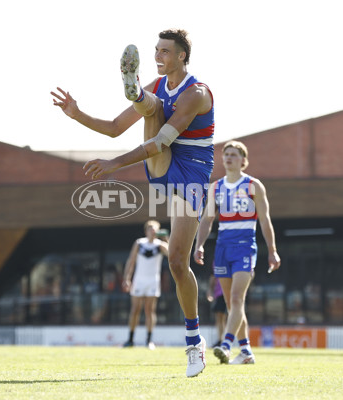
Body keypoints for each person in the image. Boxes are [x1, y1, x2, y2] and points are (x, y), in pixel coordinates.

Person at [51, 29, 214, 377]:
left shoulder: (196, 94)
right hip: (163, 160)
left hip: (192, 174)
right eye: (156, 50)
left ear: (182, 56)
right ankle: (135, 90)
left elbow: (159, 142)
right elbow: (113, 128)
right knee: (152, 103)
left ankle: (194, 340)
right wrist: (77, 113)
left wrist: (113, 165)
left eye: (166, 52)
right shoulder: (160, 85)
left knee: (177, 260)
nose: (159, 55)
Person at [194, 140, 281, 365]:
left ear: (244, 160)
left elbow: (265, 220)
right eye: (226, 154)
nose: (229, 158)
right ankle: (246, 352)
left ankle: (225, 344)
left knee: (236, 298)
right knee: (233, 305)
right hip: (223, 247)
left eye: (234, 154)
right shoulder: (216, 187)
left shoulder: (253, 186)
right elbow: (207, 219)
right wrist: (199, 244)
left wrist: (272, 251)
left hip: (245, 246)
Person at [122, 220, 168, 350]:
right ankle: (130, 339)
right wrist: (127, 278)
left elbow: (172, 255)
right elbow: (131, 261)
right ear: (146, 231)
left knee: (149, 310)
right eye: (150, 229)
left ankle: (149, 340)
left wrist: (166, 239)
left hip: (153, 281)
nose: (152, 232)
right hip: (139, 280)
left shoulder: (160, 245)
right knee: (135, 309)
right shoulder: (139, 243)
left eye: (154, 229)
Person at [207, 268, 227, 348]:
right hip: (219, 293)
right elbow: (212, 277)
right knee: (220, 318)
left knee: (225, 318)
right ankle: (221, 340)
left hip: (229, 292)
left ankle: (225, 341)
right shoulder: (215, 261)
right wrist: (210, 291)